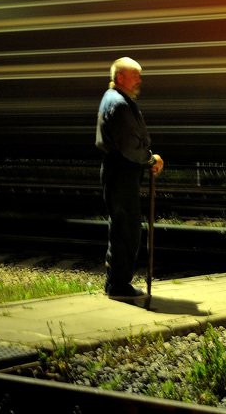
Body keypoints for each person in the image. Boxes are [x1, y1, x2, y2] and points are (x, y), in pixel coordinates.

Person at [95, 56, 164, 303]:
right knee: (126, 230)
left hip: (120, 170)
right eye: (135, 75)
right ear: (120, 77)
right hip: (122, 171)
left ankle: (117, 283)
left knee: (123, 227)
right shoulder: (120, 104)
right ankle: (118, 285)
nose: (139, 80)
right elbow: (129, 145)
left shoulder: (115, 99)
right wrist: (150, 159)